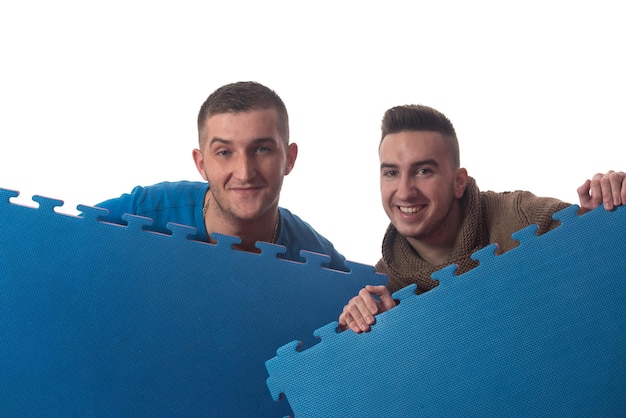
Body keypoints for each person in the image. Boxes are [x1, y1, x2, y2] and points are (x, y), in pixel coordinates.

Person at [339, 104, 626, 332]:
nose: (404, 191)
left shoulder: (522, 217)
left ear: (458, 181)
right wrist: (376, 335)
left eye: (423, 171)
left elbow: (601, 283)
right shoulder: (381, 287)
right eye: (391, 172)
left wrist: (601, 221)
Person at [96, 81, 346, 271]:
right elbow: (61, 244)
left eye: (261, 149)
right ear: (201, 163)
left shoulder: (319, 262)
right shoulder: (142, 212)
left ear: (289, 159)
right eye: (225, 152)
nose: (245, 172)